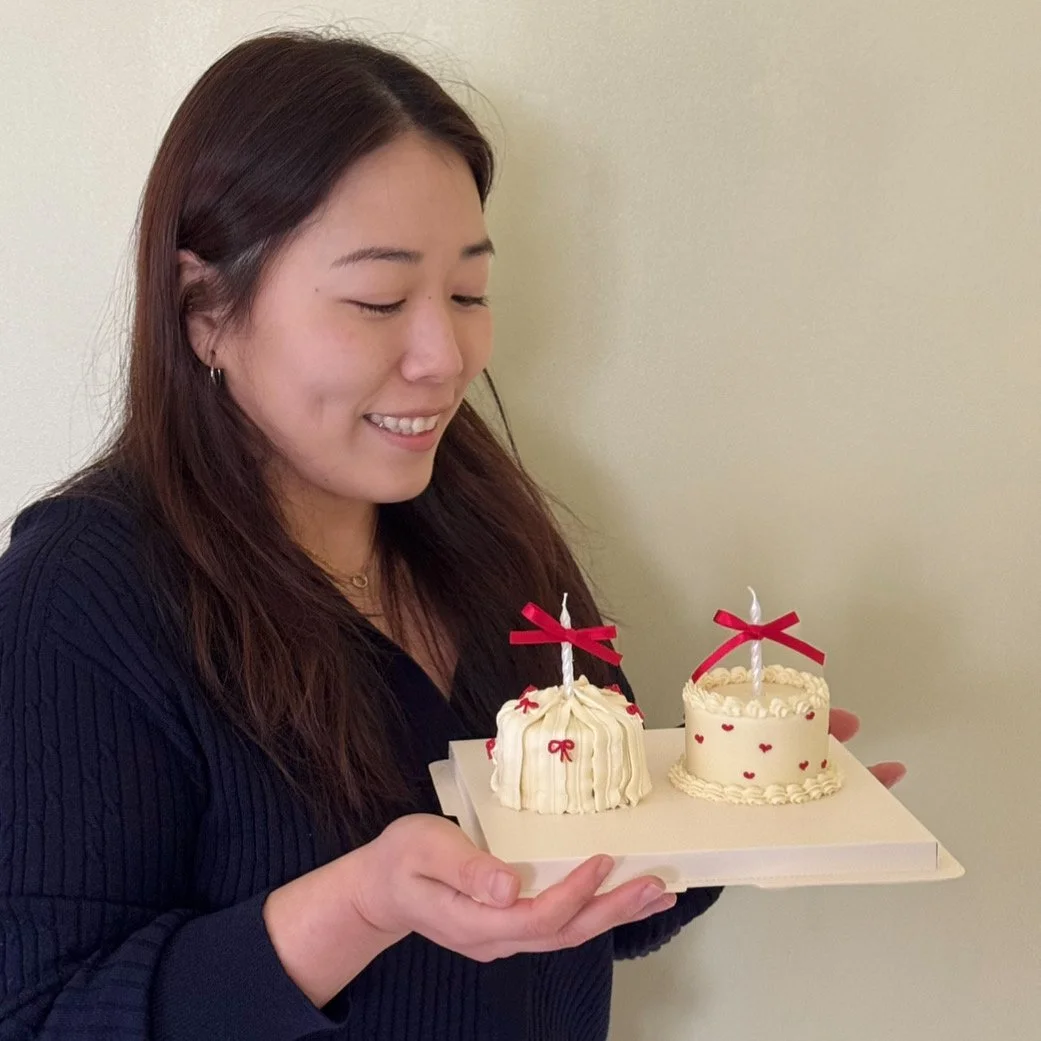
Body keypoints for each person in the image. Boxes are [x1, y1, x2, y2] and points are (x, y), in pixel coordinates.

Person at [0, 29, 904, 1041]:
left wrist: (731, 808)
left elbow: (579, 910)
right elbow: (41, 1015)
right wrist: (360, 906)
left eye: (469, 293)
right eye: (379, 299)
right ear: (203, 306)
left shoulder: (481, 522)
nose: (445, 355)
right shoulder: (82, 593)